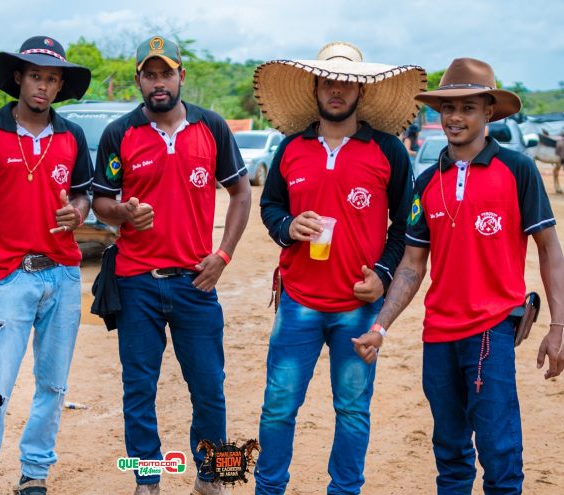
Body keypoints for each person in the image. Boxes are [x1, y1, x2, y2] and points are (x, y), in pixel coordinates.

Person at [352, 58, 564, 494]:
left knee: (499, 449)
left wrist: (558, 326)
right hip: (438, 336)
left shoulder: (517, 170)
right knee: (449, 451)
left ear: (489, 112)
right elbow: (412, 266)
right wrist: (380, 326)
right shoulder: (427, 181)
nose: (454, 117)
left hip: (491, 331)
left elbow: (549, 250)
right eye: (447, 108)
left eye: (467, 107)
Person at [253, 41, 425, 494]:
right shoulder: (291, 148)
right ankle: (268, 488)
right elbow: (270, 207)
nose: (336, 89)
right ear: (314, 86)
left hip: (358, 306)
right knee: (278, 406)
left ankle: (345, 490)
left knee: (352, 409)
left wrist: (383, 276)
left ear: (361, 91)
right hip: (299, 302)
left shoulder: (388, 151)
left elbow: (405, 228)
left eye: (346, 81)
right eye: (328, 80)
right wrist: (289, 226)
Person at [91, 35, 251, 495]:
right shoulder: (119, 133)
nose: (158, 83)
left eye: (166, 73)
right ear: (138, 80)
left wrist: (223, 256)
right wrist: (122, 212)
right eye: (149, 74)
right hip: (136, 281)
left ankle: (212, 475)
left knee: (209, 387)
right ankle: (146, 478)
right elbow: (102, 201)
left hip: (196, 282)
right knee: (138, 387)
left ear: (182, 75)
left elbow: (241, 192)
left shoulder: (212, 127)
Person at [0, 36, 92, 495]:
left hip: (63, 275)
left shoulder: (72, 135)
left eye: (52, 79)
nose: (43, 86)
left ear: (59, 85)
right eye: (35, 76)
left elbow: (83, 192)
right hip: (9, 277)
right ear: (18, 78)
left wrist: (79, 210)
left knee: (52, 386)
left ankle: (35, 472)